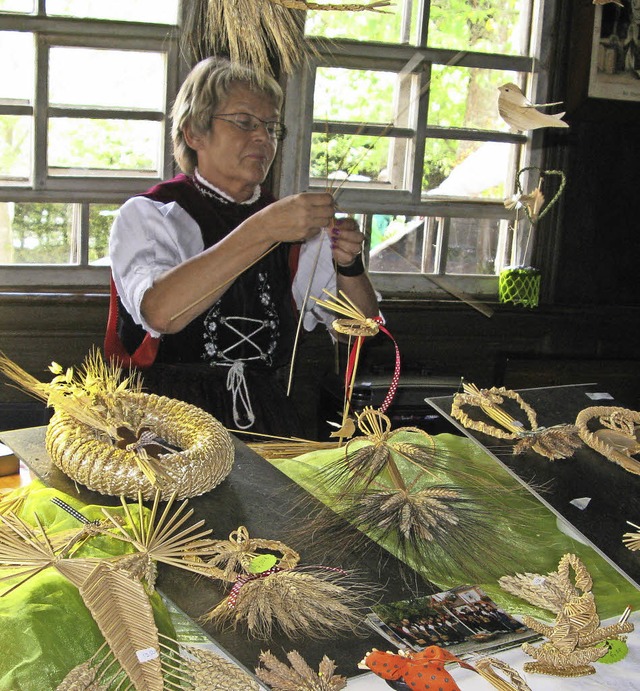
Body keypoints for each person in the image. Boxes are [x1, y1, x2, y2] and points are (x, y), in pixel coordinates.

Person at [106, 57, 379, 436]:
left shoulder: (296, 227)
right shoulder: (153, 214)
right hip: (165, 418)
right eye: (245, 123)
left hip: (264, 416)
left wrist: (350, 265)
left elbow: (357, 331)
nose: (264, 139)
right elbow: (161, 313)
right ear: (194, 133)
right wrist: (263, 229)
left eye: (271, 128)